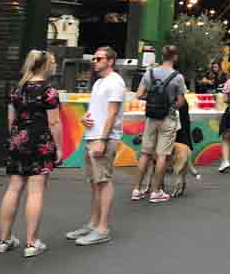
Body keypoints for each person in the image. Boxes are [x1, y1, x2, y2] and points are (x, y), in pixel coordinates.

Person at [0, 50, 63, 258]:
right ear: (45, 66)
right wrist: (59, 147)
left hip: (18, 141)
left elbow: (11, 118)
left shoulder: (18, 88)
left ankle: (4, 239)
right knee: (36, 192)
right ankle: (31, 242)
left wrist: (16, 138)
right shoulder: (49, 90)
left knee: (14, 188)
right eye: (52, 63)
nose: (54, 66)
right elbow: (54, 122)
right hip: (40, 142)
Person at [65, 46, 125, 247]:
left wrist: (102, 139)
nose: (94, 61)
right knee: (95, 183)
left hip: (103, 139)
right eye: (94, 58)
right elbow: (98, 111)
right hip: (94, 137)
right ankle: (93, 224)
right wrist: (85, 118)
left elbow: (112, 113)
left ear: (110, 61)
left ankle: (102, 228)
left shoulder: (115, 82)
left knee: (103, 181)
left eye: (98, 58)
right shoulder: (100, 82)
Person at [131, 45, 187, 203]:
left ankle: (136, 189)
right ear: (175, 57)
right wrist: (170, 105)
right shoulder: (178, 77)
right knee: (162, 155)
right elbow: (181, 102)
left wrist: (152, 99)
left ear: (161, 56)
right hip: (168, 119)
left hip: (151, 118)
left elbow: (139, 94)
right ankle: (156, 192)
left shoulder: (150, 73)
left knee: (145, 153)